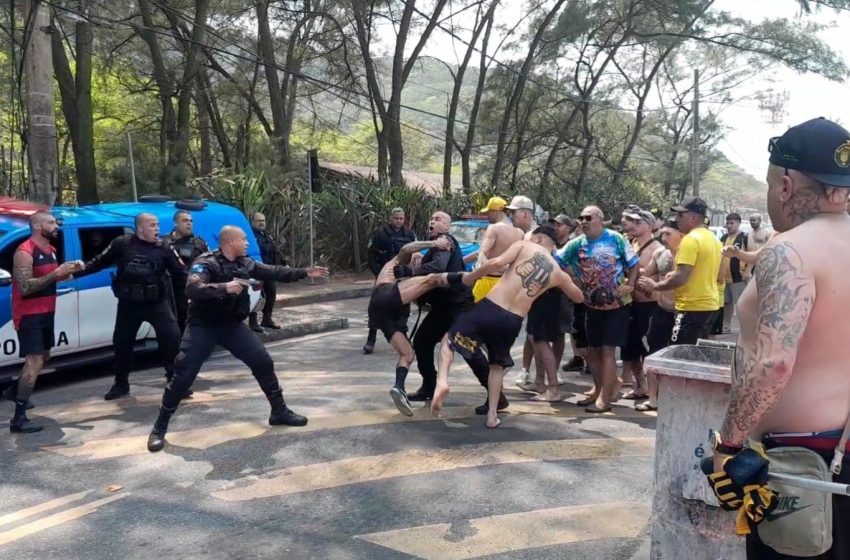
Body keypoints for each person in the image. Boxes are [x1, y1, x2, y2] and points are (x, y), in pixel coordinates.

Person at [708, 117, 850, 558]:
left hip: (801, 462)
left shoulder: (790, 251)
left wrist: (727, 446)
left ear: (785, 185)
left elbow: (773, 362)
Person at [146, 226, 329, 452]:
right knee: (183, 374)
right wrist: (224, 287)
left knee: (262, 361)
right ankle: (159, 427)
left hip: (231, 325)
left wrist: (304, 272)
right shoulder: (206, 262)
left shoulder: (245, 263)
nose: (247, 244)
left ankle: (279, 411)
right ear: (231, 241)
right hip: (203, 326)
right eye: (243, 239)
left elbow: (271, 271)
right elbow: (193, 289)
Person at [431, 225, 584, 428]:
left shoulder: (524, 246)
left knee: (449, 340)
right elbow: (578, 297)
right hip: (512, 321)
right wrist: (570, 279)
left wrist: (471, 277)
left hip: (491, 306)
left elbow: (495, 262)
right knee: (497, 366)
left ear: (537, 239)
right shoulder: (558, 272)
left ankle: (442, 381)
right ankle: (492, 416)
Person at [80, 213, 187, 401]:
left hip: (156, 303)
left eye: (158, 224)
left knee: (172, 338)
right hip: (129, 304)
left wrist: (193, 293)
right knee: (122, 343)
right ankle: (121, 384)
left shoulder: (164, 247)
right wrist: (76, 272)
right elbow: (99, 262)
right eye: (152, 225)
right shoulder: (122, 244)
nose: (157, 229)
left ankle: (175, 381)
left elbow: (180, 273)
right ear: (140, 228)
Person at [556, 206, 639, 413]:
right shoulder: (577, 244)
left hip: (616, 305)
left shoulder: (616, 239)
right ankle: (599, 388)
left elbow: (634, 263)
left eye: (588, 218)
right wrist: (574, 278)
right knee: (592, 351)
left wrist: (630, 283)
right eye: (580, 218)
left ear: (600, 220)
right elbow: (557, 260)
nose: (583, 221)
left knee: (608, 351)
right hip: (590, 305)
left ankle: (605, 398)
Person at [5, 212, 82, 432]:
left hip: (48, 312)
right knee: (35, 361)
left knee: (44, 356)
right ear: (38, 226)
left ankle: (14, 391)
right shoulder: (25, 252)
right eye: (50, 222)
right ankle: (18, 419)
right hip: (29, 315)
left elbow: (51, 279)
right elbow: (26, 286)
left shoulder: (51, 250)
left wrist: (67, 273)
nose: (55, 225)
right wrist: (56, 274)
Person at [367, 237, 453, 415]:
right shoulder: (398, 264)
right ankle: (468, 279)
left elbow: (417, 302)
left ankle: (399, 388)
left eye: (421, 260)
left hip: (380, 312)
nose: (418, 262)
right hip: (384, 294)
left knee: (408, 353)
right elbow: (406, 249)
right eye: (418, 258)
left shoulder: (407, 282)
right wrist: (433, 244)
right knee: (431, 279)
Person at [405, 212, 473, 403]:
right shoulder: (435, 245)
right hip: (443, 307)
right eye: (432, 219)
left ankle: (496, 395)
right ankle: (429, 386)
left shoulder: (445, 241)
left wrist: (412, 272)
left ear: (447, 227)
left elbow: (439, 266)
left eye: (438, 220)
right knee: (422, 342)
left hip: (458, 305)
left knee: (469, 350)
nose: (432, 221)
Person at [638, 197, 721, 345]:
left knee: (680, 355)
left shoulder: (690, 239)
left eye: (680, 215)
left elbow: (681, 277)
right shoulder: (712, 238)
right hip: (709, 306)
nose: (677, 219)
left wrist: (655, 286)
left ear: (694, 217)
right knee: (692, 355)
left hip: (692, 308)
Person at [637, 217, 683, 412]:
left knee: (679, 355)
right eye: (662, 233)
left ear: (681, 235)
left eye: (668, 234)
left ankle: (676, 398)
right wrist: (643, 283)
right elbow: (646, 275)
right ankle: (653, 397)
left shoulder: (688, 253)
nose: (663, 237)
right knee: (654, 353)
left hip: (683, 312)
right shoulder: (659, 254)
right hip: (661, 309)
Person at [620, 209, 662, 401]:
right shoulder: (631, 243)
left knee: (647, 349)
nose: (633, 225)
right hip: (632, 303)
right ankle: (640, 385)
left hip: (649, 305)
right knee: (630, 348)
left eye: (638, 223)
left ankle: (653, 388)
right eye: (632, 222)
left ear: (649, 225)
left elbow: (662, 277)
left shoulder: (656, 249)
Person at [363, 208, 417, 354]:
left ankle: (404, 336)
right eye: (396, 218)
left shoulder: (409, 234)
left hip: (402, 276)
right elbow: (371, 255)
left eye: (401, 218)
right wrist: (378, 273)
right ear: (390, 218)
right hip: (384, 277)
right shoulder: (380, 233)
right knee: (376, 307)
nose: (399, 221)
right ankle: (371, 338)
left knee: (404, 306)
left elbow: (415, 255)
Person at [503, 195, 540, 388]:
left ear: (525, 214)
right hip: (530, 296)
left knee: (539, 339)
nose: (511, 217)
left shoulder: (535, 235)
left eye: (513, 213)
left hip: (538, 296)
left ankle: (545, 381)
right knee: (532, 336)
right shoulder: (526, 235)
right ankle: (530, 374)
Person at [470, 197, 523, 303]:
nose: (487, 215)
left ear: (495, 211)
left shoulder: (494, 228)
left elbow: (481, 253)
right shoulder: (519, 231)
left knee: (477, 314)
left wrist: (462, 261)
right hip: (507, 282)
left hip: (489, 280)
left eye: (489, 212)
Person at [163, 210, 209, 332]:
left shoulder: (199, 243)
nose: (189, 223)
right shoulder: (164, 242)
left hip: (193, 290)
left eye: (190, 221)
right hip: (171, 292)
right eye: (184, 220)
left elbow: (210, 264)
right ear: (175, 223)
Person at [248, 212, 285, 332]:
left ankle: (267, 319)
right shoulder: (250, 235)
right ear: (252, 222)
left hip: (269, 270)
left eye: (263, 220)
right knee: (257, 295)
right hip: (257, 269)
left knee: (271, 294)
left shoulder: (266, 234)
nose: (262, 223)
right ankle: (253, 322)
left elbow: (275, 250)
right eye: (259, 221)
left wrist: (284, 263)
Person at [720, 212, 748, 334]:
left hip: (738, 277)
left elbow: (752, 253)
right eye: (728, 223)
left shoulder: (744, 237)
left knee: (741, 303)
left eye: (732, 223)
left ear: (738, 223)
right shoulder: (723, 238)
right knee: (727, 303)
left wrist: (747, 271)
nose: (729, 225)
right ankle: (726, 326)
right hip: (725, 277)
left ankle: (745, 328)